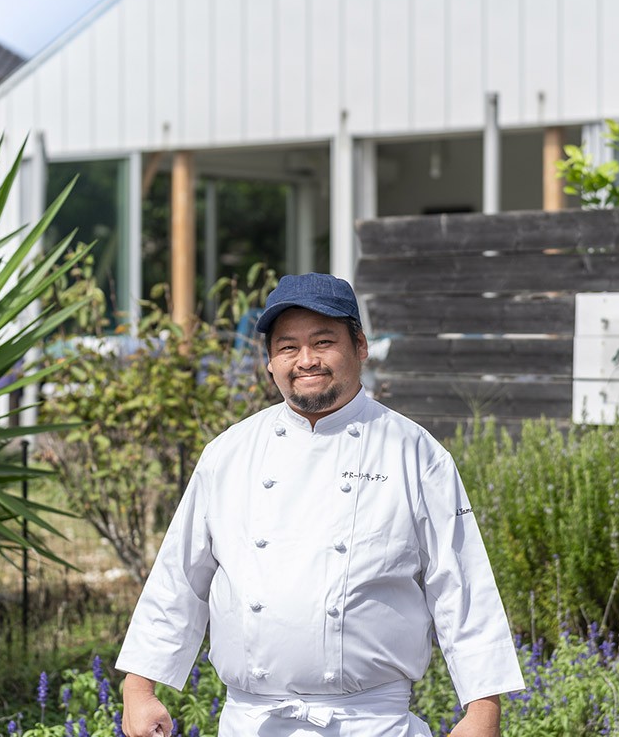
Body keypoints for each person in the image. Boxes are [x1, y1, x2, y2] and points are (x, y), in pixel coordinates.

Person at [117, 272, 524, 737]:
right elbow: (179, 579)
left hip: (372, 723)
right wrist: (140, 688)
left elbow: (461, 584)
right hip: (252, 723)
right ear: (270, 362)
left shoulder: (413, 452)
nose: (305, 360)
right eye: (287, 346)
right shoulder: (229, 454)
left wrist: (482, 709)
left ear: (360, 347)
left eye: (323, 341)